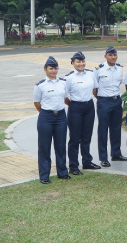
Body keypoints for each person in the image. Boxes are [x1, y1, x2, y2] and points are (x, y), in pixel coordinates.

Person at [34, 56, 71, 184]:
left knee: (60, 146)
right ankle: (44, 175)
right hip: (46, 117)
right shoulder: (40, 85)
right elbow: (37, 102)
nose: (53, 71)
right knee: (44, 147)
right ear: (45, 69)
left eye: (55, 68)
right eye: (51, 68)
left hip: (61, 116)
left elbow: (66, 99)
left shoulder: (63, 83)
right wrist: (45, 113)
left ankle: (62, 172)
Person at [64, 51, 100, 175]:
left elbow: (95, 89)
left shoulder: (91, 74)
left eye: (83, 61)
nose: (81, 64)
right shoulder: (69, 78)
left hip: (89, 107)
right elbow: (65, 97)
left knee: (86, 136)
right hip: (75, 108)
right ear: (72, 63)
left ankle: (87, 161)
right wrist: (74, 105)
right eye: (78, 61)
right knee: (74, 138)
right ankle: (73, 166)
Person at [93, 46, 125, 167]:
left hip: (117, 101)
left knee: (116, 129)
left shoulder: (119, 69)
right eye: (110, 55)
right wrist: (102, 99)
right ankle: (103, 157)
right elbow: (94, 89)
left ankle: (116, 154)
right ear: (105, 56)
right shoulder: (98, 69)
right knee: (103, 130)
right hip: (104, 101)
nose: (113, 57)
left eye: (114, 55)